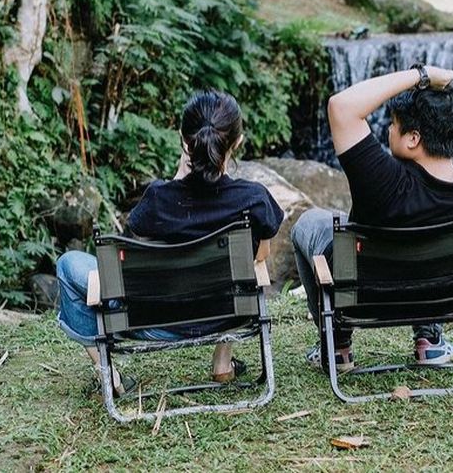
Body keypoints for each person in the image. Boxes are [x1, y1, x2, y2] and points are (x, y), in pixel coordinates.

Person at [57, 90, 284, 394]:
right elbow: (261, 256)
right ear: (237, 142)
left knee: (68, 264)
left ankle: (108, 376)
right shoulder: (254, 199)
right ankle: (222, 361)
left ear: (183, 140)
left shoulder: (158, 199)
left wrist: (177, 179)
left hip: (153, 321)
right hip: (228, 314)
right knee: (244, 269)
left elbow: (133, 256)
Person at [291, 65, 453, 372]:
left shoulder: (381, 180)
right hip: (444, 298)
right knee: (434, 246)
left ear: (412, 138)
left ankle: (338, 344)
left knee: (310, 222)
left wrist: (422, 74)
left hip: (365, 297)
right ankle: (430, 340)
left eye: (393, 125)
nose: (387, 131)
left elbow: (341, 106)